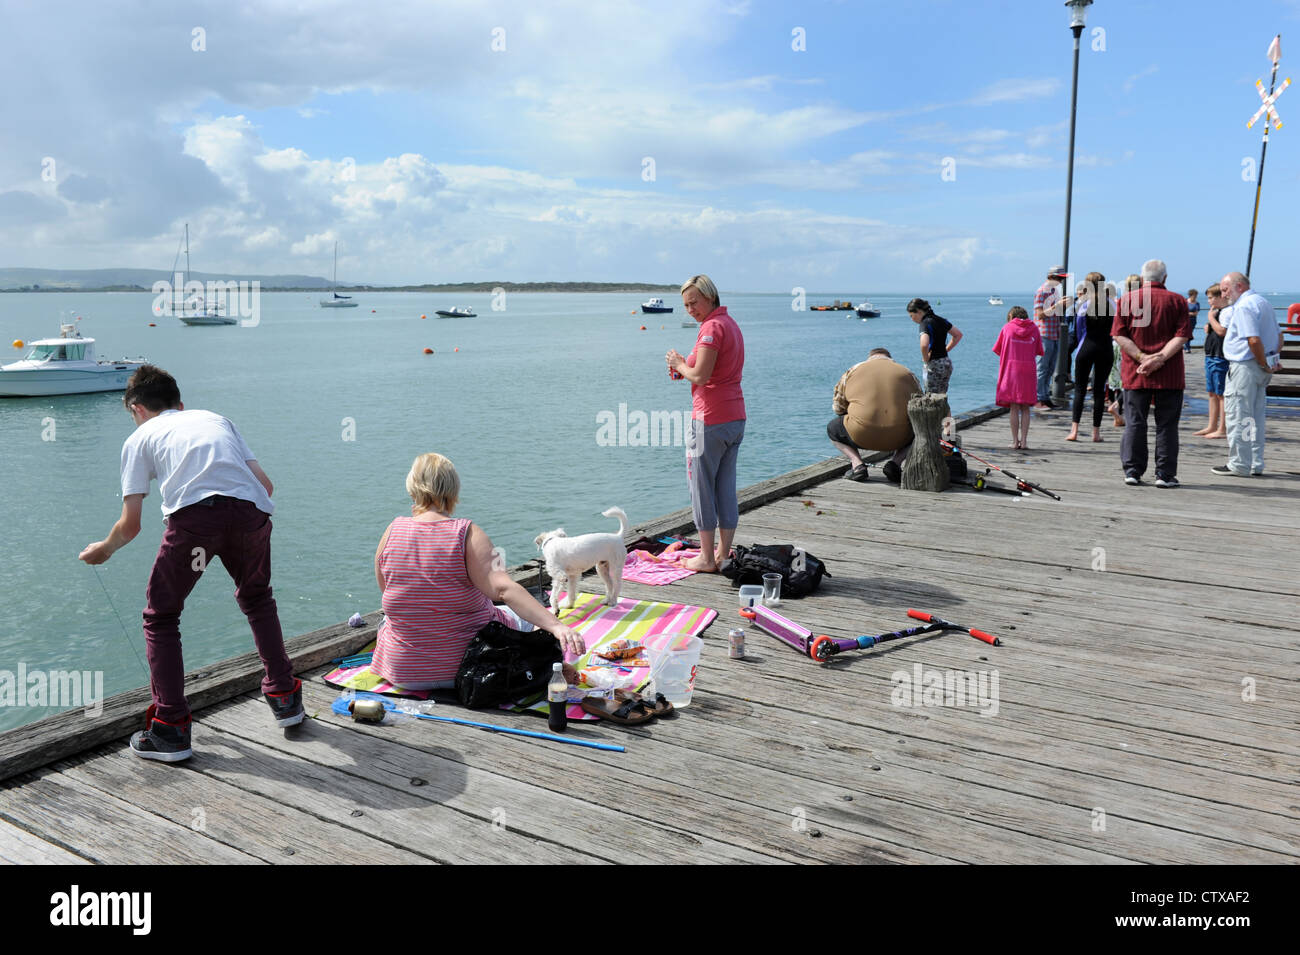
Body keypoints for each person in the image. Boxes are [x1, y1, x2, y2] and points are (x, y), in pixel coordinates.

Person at [78, 365, 300, 762]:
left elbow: (130, 525)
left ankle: (170, 729)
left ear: (136, 408)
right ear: (180, 405)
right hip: (251, 514)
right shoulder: (216, 419)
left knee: (161, 617)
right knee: (257, 599)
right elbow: (265, 486)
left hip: (196, 521)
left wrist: (105, 549)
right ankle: (285, 697)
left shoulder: (139, 437)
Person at [371, 453, 585, 690]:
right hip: (473, 669)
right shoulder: (467, 534)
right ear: (453, 489)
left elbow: (387, 588)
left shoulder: (392, 531)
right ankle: (549, 667)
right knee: (525, 621)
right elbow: (504, 589)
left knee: (388, 621)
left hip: (403, 673)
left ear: (412, 487)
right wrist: (556, 626)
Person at [666, 274, 745, 572]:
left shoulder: (711, 328)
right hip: (735, 417)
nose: (690, 309)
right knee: (725, 487)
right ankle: (724, 555)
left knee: (701, 489)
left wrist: (679, 364)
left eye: (694, 302)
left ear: (710, 297)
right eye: (686, 305)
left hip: (709, 419)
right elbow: (711, 370)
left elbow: (700, 375)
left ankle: (706, 558)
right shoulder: (730, 324)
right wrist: (683, 368)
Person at [1111, 259, 1192, 488]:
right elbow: (1182, 336)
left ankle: (1133, 471)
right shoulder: (1178, 301)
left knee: (1135, 422)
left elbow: (1119, 335)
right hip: (1170, 374)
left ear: (1143, 277)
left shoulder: (1126, 300)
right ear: (1165, 278)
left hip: (1136, 372)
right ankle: (1164, 475)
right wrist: (1160, 358)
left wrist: (1142, 358)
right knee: (1167, 424)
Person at [1212, 272, 1282, 477]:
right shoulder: (1264, 303)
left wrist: (1262, 362)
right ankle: (1254, 461)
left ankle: (1240, 463)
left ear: (1239, 286)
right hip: (1261, 366)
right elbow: (1279, 335)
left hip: (1245, 367)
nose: (1224, 295)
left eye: (1225, 290)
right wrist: (1272, 360)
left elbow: (1253, 340)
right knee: (1255, 417)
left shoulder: (1243, 306)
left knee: (1240, 415)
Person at [828, 347, 921, 483]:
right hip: (899, 437)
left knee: (833, 428)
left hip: (860, 435)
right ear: (890, 359)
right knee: (921, 431)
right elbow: (920, 405)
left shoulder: (853, 371)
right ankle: (895, 462)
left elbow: (838, 407)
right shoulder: (907, 372)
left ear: (869, 358)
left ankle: (857, 465)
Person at [1065, 272, 1116, 443]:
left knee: (1079, 389)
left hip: (1086, 347)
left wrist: (1082, 346)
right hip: (1106, 348)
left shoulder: (1083, 305)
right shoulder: (1112, 304)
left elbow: (1079, 330)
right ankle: (1096, 433)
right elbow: (1115, 328)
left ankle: (1074, 431)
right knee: (1099, 391)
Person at [992, 306, 1043, 450]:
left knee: (1014, 407)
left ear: (1011, 317)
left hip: (1011, 371)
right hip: (1028, 370)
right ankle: (1025, 441)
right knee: (1026, 407)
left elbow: (998, 349)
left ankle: (1015, 442)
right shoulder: (1034, 328)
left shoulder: (1007, 328)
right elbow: (1039, 350)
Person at [1193, 283, 1229, 439]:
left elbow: (1222, 331)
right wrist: (1209, 325)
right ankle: (1212, 424)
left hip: (1221, 356)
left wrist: (1210, 319)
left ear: (1220, 296)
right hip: (1211, 354)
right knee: (1212, 392)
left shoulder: (1227, 312)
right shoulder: (1217, 312)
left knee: (1221, 393)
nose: (1208, 301)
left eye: (1210, 298)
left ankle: (1223, 427)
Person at [906, 298, 962, 394]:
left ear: (919, 312)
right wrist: (946, 349)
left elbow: (924, 344)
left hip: (934, 365)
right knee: (942, 395)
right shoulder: (941, 320)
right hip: (945, 362)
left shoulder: (924, 323)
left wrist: (926, 358)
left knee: (931, 397)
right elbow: (958, 335)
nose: (911, 319)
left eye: (911, 316)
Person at [1033, 265, 1068, 410]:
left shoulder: (1054, 291)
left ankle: (1045, 397)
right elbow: (1040, 314)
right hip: (1044, 334)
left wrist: (1062, 306)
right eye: (1060, 278)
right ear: (1052, 277)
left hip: (1054, 333)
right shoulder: (1042, 291)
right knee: (1042, 367)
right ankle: (1038, 398)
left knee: (1050, 367)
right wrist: (1057, 306)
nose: (1061, 282)